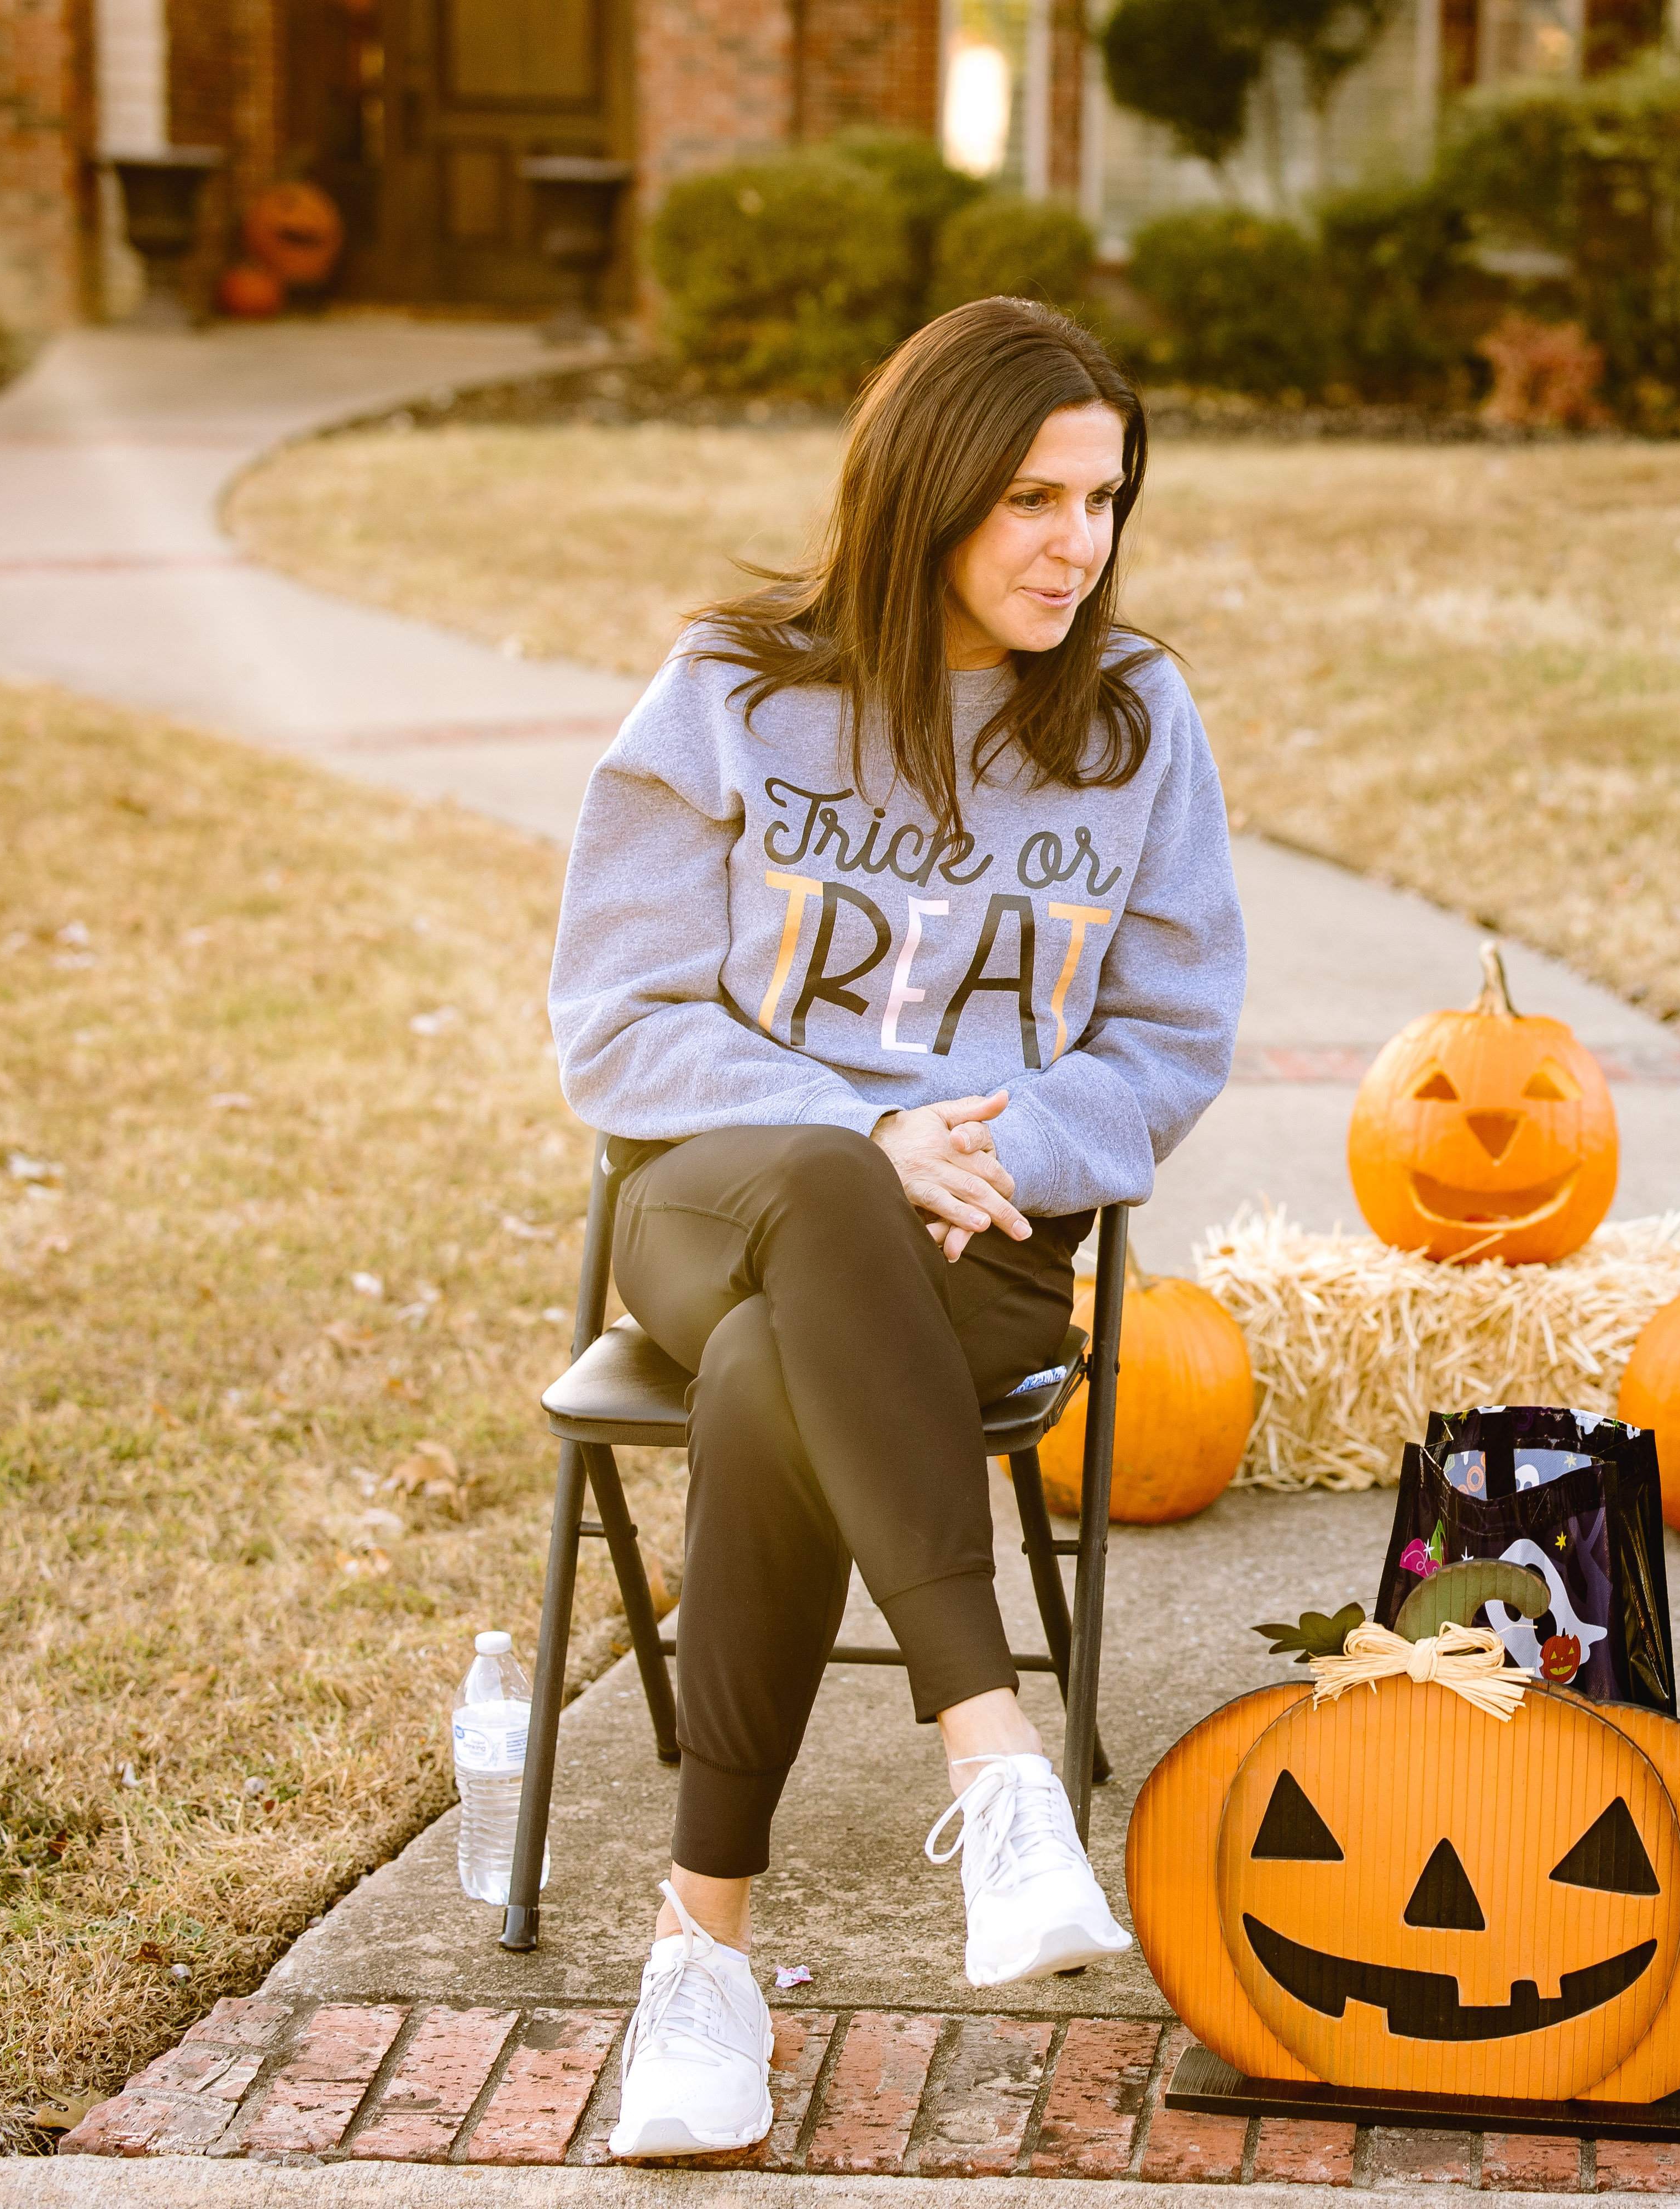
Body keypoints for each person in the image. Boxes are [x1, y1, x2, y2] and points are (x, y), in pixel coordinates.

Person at [545, 298, 1244, 2157]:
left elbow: (1171, 1040)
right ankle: (996, 1762)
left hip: (988, 1234)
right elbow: (615, 1018)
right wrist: (869, 1131)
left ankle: (701, 1957)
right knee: (817, 1207)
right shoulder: (735, 690)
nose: (1077, 544)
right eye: (1032, 499)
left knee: (770, 1378)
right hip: (721, 1197)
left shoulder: (1132, 724)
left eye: (1104, 500)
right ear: (927, 489)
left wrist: (985, 1146)